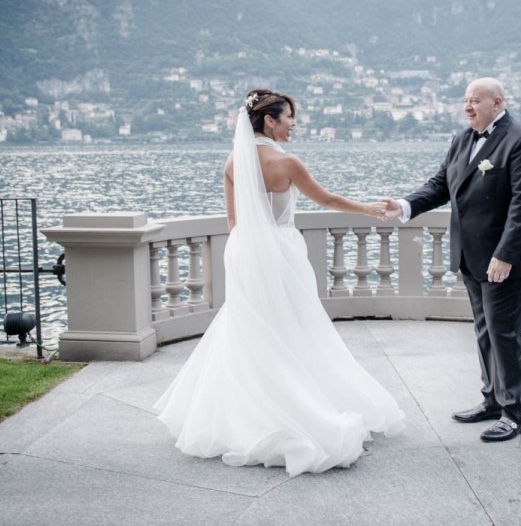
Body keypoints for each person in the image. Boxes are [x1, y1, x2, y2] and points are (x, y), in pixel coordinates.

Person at [155, 89, 404, 476]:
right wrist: (369, 209)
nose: (293, 124)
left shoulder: (233, 160)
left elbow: (233, 221)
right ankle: (301, 413)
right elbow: (327, 200)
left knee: (252, 330)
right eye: (288, 117)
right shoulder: (287, 162)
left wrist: (250, 251)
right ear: (269, 120)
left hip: (243, 252)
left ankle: (246, 416)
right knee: (295, 329)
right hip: (282, 252)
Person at [383, 77, 521, 443]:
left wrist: (504, 254)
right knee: (486, 331)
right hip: (471, 258)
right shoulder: (462, 140)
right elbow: (441, 184)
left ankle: (515, 412)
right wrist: (405, 205)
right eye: (465, 101)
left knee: (505, 334)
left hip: (507, 261)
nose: (467, 106)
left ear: (498, 102)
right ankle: (492, 400)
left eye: (475, 100)